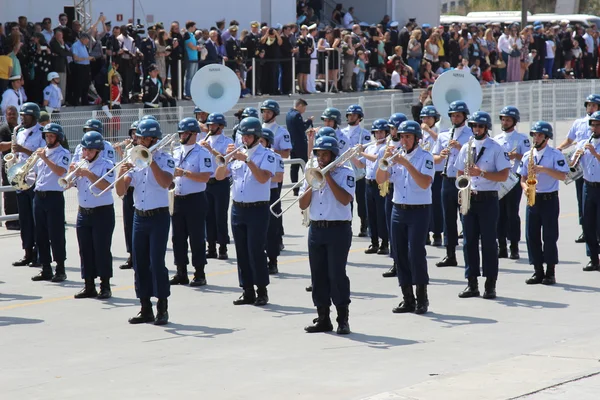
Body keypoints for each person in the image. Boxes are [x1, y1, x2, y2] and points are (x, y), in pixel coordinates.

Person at [116, 118, 175, 326]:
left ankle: (162, 307)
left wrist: (151, 162)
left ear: (152, 139)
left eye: (142, 138)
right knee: (139, 263)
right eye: (138, 137)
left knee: (156, 263)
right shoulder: (133, 160)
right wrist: (121, 175)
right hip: (138, 217)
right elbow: (121, 193)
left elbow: (166, 183)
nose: (139, 141)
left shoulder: (165, 158)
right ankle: (145, 307)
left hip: (158, 216)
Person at [215, 117, 275, 306]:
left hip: (257, 209)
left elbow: (264, 178)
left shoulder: (267, 155)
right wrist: (225, 160)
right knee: (241, 251)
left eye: (249, 136)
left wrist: (247, 160)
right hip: (238, 208)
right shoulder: (237, 154)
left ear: (257, 136)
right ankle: (247, 290)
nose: (245, 139)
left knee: (255, 250)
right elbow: (219, 177)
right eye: (243, 136)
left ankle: (262, 290)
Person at [376, 120, 434, 314]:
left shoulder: (425, 157)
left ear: (417, 138)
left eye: (408, 137)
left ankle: (422, 298)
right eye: (402, 137)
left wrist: (406, 164)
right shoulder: (395, 156)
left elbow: (425, 183)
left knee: (416, 253)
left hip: (419, 210)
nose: (404, 140)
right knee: (399, 253)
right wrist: (384, 162)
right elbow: (380, 179)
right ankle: (407, 298)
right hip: (398, 209)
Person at [300, 136, 353, 335]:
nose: (321, 158)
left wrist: (327, 176)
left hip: (338, 229)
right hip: (316, 229)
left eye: (325, 154)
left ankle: (343, 319)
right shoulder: (311, 174)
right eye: (319, 154)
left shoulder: (345, 173)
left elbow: (345, 199)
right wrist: (313, 182)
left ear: (333, 155)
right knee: (318, 275)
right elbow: (302, 204)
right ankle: (323, 318)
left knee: (336, 275)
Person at [454, 111, 511, 300]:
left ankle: (490, 284)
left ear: (486, 127)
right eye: (474, 126)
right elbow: (460, 172)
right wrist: (461, 191)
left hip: (488, 198)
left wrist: (482, 174)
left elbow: (503, 175)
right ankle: (471, 283)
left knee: (488, 242)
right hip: (470, 196)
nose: (476, 129)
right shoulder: (466, 147)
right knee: (469, 242)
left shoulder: (496, 148)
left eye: (480, 126)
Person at [518, 121, 569, 284]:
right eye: (534, 134)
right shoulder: (528, 155)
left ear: (547, 138)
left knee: (549, 236)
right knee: (531, 235)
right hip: (534, 198)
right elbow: (522, 177)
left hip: (549, 199)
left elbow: (563, 176)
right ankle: (537, 270)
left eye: (540, 135)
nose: (536, 138)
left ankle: (550, 271)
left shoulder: (555, 155)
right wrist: (525, 187)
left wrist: (544, 169)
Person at [169, 117, 214, 286]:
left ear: (194, 134)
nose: (182, 135)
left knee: (196, 238)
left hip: (195, 199)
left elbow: (205, 177)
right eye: (181, 132)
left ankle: (199, 273)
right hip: (178, 198)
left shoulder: (202, 153)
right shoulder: (175, 151)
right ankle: (181, 272)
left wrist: (185, 173)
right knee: (177, 238)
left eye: (185, 133)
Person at [71, 131, 116, 299]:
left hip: (102, 212)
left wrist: (87, 173)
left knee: (102, 249)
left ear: (98, 150)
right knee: (85, 250)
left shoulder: (107, 164)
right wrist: (70, 176)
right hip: (83, 212)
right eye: (84, 150)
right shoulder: (79, 164)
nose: (86, 153)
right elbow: (66, 185)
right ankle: (88, 284)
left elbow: (107, 185)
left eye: (90, 150)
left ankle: (105, 285)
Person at [432, 101, 473, 267]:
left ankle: (470, 254)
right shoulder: (443, 135)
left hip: (464, 181)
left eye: (458, 115)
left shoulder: (471, 134)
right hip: (447, 180)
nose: (455, 118)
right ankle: (450, 255)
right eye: (453, 115)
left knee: (466, 217)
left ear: (464, 116)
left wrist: (460, 146)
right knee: (447, 218)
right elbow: (433, 158)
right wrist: (441, 156)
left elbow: (477, 154)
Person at [556, 93, 600, 244]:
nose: (591, 108)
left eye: (594, 105)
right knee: (582, 197)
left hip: (596, 161)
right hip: (581, 161)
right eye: (589, 105)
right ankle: (585, 229)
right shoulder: (579, 122)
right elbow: (570, 139)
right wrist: (559, 148)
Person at [30, 123, 71, 282]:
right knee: (40, 234)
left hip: (54, 197)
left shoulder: (63, 153)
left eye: (52, 136)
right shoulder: (42, 153)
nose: (48, 138)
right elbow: (36, 174)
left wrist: (45, 158)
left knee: (56, 234)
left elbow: (60, 171)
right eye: (47, 136)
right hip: (39, 196)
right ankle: (45, 267)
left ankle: (60, 268)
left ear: (58, 137)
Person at [493, 106, 530, 259]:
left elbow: (529, 158)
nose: (505, 122)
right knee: (499, 213)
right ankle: (501, 245)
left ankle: (513, 246)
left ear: (514, 121)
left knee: (512, 213)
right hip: (500, 179)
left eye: (508, 119)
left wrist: (517, 155)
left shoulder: (522, 138)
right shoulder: (496, 139)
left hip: (514, 179)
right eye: (503, 119)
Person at [12, 103, 45, 267]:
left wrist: (23, 150)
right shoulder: (19, 132)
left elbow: (43, 156)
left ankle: (38, 253)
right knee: (24, 218)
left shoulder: (42, 134)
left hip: (35, 179)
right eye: (22, 115)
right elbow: (17, 155)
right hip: (21, 178)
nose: (22, 118)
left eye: (26, 115)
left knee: (35, 218)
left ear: (34, 116)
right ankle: (27, 252)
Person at [200, 113, 233, 260]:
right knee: (208, 216)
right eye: (209, 125)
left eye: (213, 125)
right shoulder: (203, 140)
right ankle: (211, 246)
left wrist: (211, 150)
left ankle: (223, 247)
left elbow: (225, 159)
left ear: (220, 126)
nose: (210, 127)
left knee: (220, 215)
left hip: (221, 182)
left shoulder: (227, 141)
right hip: (207, 182)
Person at [381, 112, 408, 278]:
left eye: (395, 128)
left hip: (404, 188)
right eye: (391, 128)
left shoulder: (408, 145)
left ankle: (405, 262)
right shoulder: (389, 143)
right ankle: (395, 262)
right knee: (392, 228)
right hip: (389, 187)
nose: (393, 132)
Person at [573, 112, 600, 272]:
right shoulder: (583, 143)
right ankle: (593, 258)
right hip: (588, 186)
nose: (594, 128)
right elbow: (573, 167)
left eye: (597, 125)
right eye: (593, 125)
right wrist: (576, 157)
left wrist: (595, 154)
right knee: (588, 223)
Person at [358, 118, 389, 254]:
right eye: (376, 132)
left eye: (382, 132)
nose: (379, 135)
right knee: (371, 214)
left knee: (381, 214)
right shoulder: (370, 147)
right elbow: (361, 164)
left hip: (380, 184)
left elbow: (376, 158)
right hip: (368, 183)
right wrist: (351, 155)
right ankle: (374, 242)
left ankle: (385, 242)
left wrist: (361, 152)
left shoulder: (385, 147)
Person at [341, 104, 372, 237]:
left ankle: (364, 224)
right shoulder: (341, 132)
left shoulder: (364, 134)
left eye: (353, 115)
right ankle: (347, 224)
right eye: (349, 115)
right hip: (345, 169)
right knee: (347, 200)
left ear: (359, 118)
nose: (350, 117)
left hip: (358, 171)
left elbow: (365, 151)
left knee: (361, 200)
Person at [260, 128, 284, 274]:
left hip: (271, 194)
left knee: (272, 230)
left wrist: (260, 175)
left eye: (261, 141)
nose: (259, 144)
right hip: (256, 195)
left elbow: (279, 177)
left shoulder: (275, 156)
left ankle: (273, 261)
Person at [115, 121, 138, 270]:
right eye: (132, 133)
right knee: (128, 225)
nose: (134, 136)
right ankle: (131, 255)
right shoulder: (130, 149)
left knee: (139, 225)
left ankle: (140, 255)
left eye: (137, 133)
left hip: (139, 189)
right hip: (128, 190)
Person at [420, 105, 442, 246]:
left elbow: (441, 141)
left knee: (436, 204)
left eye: (429, 117)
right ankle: (426, 232)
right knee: (424, 203)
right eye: (424, 117)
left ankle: (438, 232)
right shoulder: (420, 133)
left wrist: (428, 130)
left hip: (437, 171)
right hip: (423, 171)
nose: (426, 120)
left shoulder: (438, 130)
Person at [285, 99, 314, 196]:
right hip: (300, 145)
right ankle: (309, 185)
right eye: (304, 108)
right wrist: (309, 121)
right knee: (305, 165)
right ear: (300, 106)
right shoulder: (297, 115)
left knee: (294, 167)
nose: (304, 110)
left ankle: (295, 189)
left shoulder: (289, 114)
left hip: (292, 144)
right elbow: (302, 128)